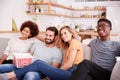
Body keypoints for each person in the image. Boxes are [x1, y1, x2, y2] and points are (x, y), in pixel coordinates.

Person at [0, 26, 84, 80]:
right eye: (61, 34)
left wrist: (51, 75)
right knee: (4, 67)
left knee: (38, 64)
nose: (63, 36)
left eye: (65, 33)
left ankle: (10, 76)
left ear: (71, 33)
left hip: (72, 73)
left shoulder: (74, 43)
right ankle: (11, 75)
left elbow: (68, 65)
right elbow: (50, 42)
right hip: (28, 66)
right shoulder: (67, 45)